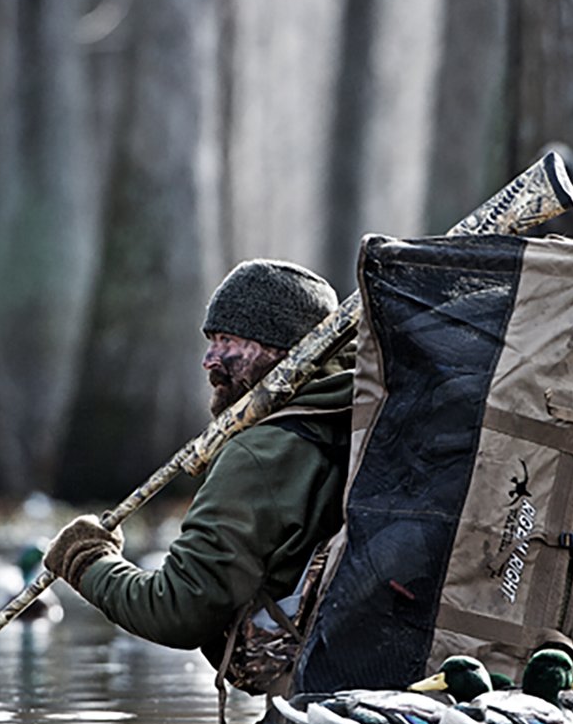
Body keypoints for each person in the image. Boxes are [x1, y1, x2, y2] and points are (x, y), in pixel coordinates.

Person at [43, 259, 351, 664]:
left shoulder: (260, 454)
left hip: (324, 701)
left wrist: (86, 560)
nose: (210, 360)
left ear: (283, 350)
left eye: (228, 341)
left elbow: (177, 612)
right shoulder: (356, 417)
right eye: (211, 341)